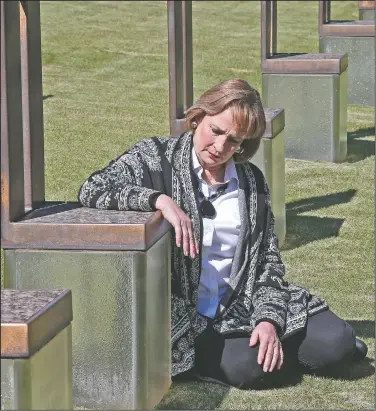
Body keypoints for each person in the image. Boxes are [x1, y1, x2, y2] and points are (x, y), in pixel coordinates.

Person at [78, 78, 367, 389]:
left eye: (234, 141)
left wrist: (269, 319)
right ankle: (265, 355)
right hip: (187, 315)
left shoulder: (251, 181)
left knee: (338, 341)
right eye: (216, 131)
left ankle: (281, 344)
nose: (220, 147)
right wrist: (158, 200)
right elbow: (92, 188)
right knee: (250, 369)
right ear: (199, 116)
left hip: (246, 298)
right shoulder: (153, 156)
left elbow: (268, 258)